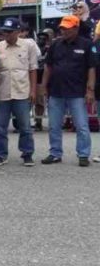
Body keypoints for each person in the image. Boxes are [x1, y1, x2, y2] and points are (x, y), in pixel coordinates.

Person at [42, 15, 96, 166]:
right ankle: (55, 153)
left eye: (67, 28)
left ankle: (83, 154)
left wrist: (90, 90)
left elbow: (91, 68)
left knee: (82, 126)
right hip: (56, 91)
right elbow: (48, 66)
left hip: (77, 92)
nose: (63, 31)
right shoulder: (55, 44)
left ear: (76, 28)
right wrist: (43, 86)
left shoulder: (86, 45)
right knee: (54, 125)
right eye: (62, 28)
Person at [0, 18, 38, 167]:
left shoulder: (28, 45)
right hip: (2, 92)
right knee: (0, 127)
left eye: (10, 32)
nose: (7, 34)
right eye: (5, 31)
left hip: (22, 91)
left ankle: (27, 154)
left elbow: (33, 69)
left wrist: (33, 90)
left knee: (25, 126)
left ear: (18, 31)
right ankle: (1, 155)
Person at [34, 29, 54, 131]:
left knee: (47, 102)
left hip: (47, 78)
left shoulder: (50, 49)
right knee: (37, 101)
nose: (41, 40)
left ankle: (51, 122)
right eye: (39, 38)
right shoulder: (34, 49)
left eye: (43, 38)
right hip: (36, 76)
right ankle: (37, 122)